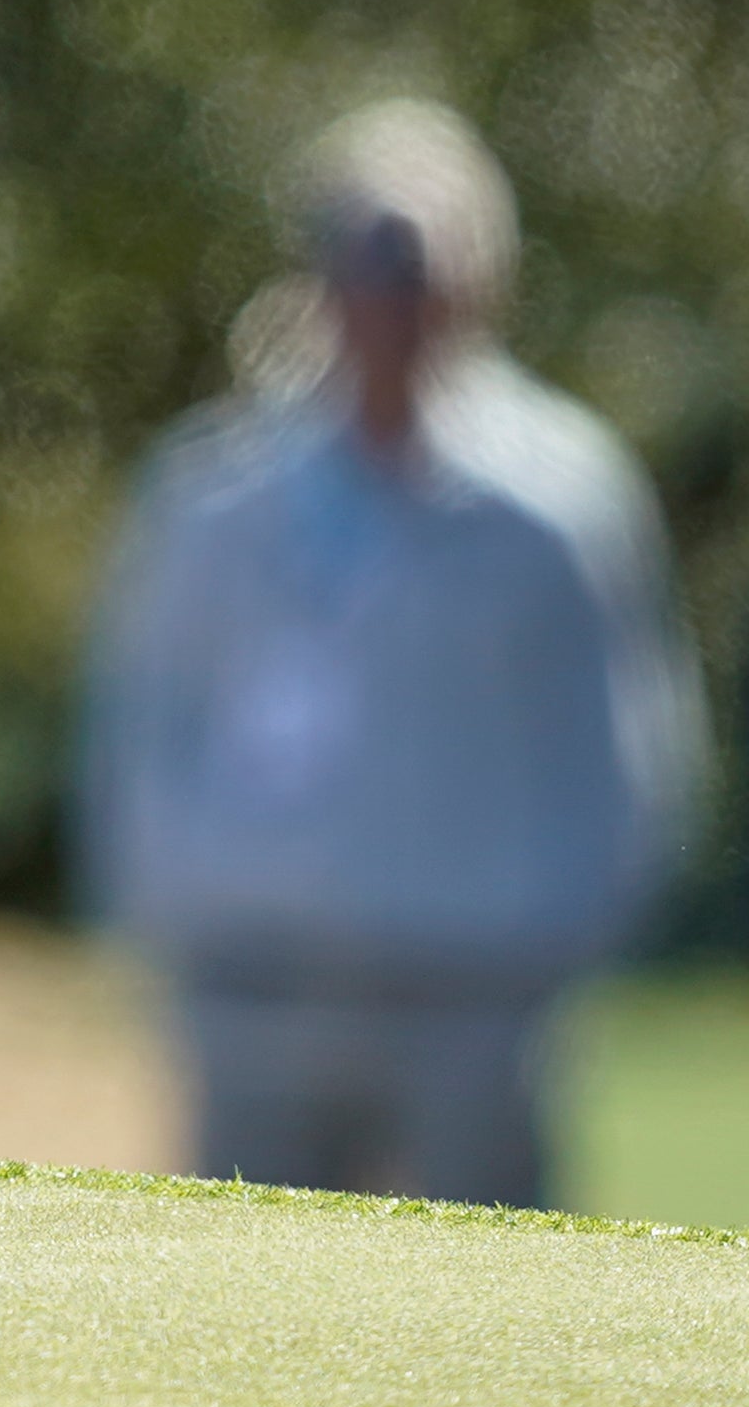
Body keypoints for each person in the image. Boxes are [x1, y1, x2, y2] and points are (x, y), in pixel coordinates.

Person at [80, 100, 701, 1205]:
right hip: (257, 1003)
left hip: (475, 1014)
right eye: (365, 260)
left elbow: (630, 756)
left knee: (478, 1351)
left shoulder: (558, 499)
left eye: (418, 263)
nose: (391, 296)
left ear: (482, 278)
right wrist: (185, 929)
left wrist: (547, 958)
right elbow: (143, 729)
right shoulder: (217, 492)